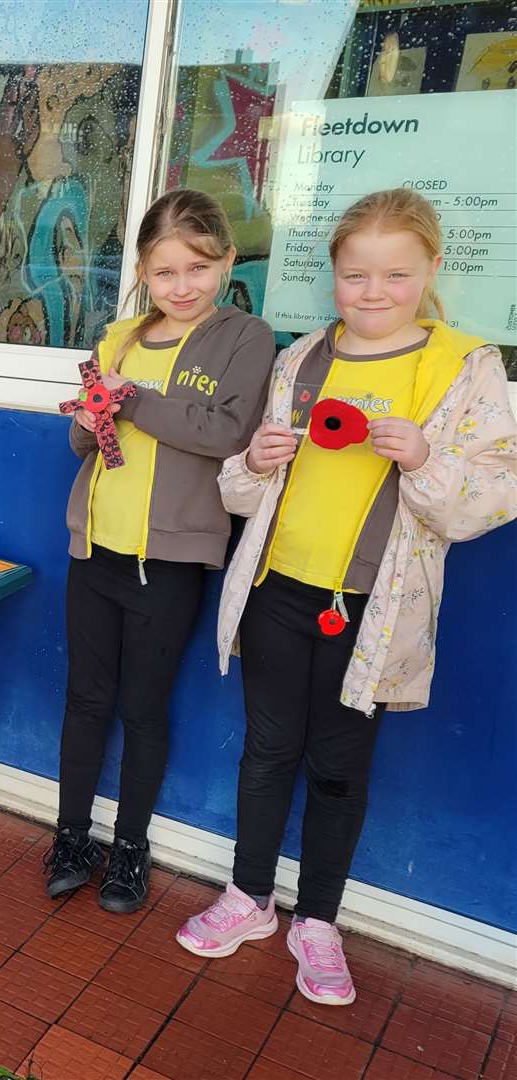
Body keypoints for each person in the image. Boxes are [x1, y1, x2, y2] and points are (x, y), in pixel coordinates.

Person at [178, 188, 517, 1005]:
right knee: (266, 751)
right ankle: (249, 896)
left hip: (374, 607)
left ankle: (318, 921)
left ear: (433, 269)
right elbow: (241, 493)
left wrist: (426, 456)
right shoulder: (303, 361)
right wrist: (255, 462)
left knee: (339, 766)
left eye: (396, 275)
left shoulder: (464, 369)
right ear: (332, 275)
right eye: (355, 275)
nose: (374, 292)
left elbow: (491, 496)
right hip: (279, 592)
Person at [47, 188, 276, 913]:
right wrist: (90, 415)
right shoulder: (117, 338)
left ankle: (131, 848)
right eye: (165, 271)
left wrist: (134, 399)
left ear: (227, 262)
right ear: (143, 272)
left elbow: (227, 433)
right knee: (85, 700)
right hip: (96, 551)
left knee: (144, 708)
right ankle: (71, 834)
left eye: (198, 269)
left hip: (168, 565)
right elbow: (85, 441)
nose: (182, 287)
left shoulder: (245, 336)